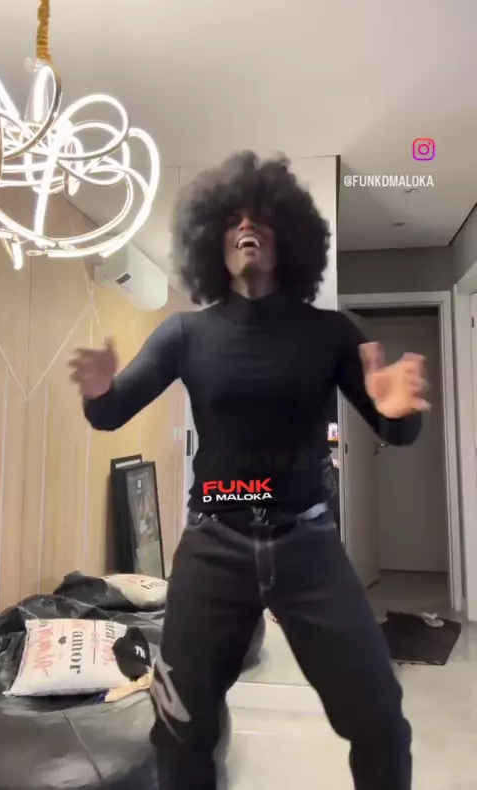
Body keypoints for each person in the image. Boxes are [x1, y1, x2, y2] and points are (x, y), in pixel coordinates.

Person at [69, 152, 430, 790]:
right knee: (179, 728)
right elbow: (110, 414)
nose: (246, 225)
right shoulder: (183, 335)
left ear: (288, 237)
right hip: (214, 542)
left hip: (308, 543)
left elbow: (395, 433)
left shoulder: (332, 334)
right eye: (233, 217)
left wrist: (397, 413)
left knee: (381, 722)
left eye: (261, 216)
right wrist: (98, 393)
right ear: (213, 239)